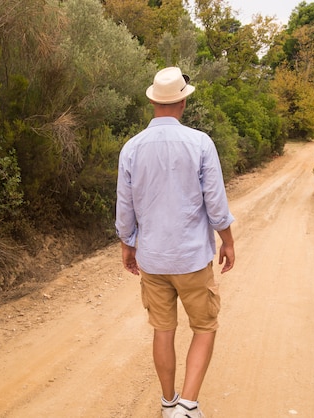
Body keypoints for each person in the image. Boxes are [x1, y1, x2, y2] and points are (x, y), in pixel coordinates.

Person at [115, 67, 235, 418]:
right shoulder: (200, 142)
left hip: (152, 260)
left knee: (163, 331)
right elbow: (215, 202)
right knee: (204, 327)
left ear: (153, 101)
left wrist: (127, 244)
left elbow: (126, 206)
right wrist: (227, 241)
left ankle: (169, 404)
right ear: (183, 101)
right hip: (192, 259)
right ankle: (188, 405)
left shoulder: (131, 148)